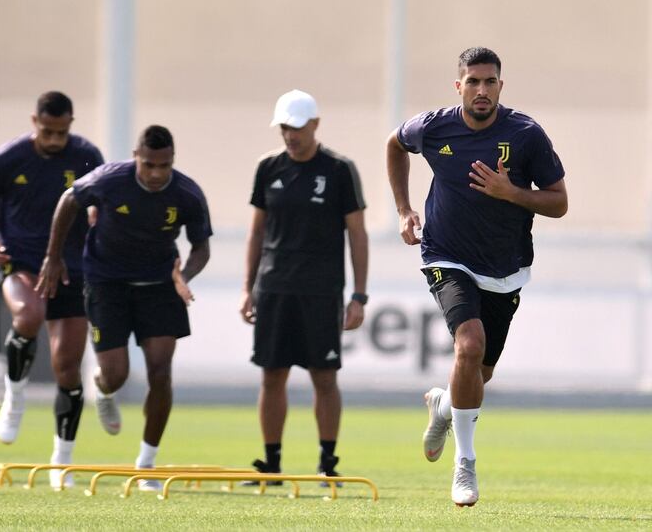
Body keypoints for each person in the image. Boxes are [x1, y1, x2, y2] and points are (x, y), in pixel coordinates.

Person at [385, 47, 568, 506]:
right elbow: (394, 144)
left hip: (505, 268)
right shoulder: (433, 127)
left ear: (500, 86)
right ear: (459, 86)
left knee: (477, 374)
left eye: (489, 82)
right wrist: (405, 209)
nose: (481, 90)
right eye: (473, 82)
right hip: (446, 256)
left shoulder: (526, 134)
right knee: (468, 345)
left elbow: (559, 201)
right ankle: (464, 464)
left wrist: (512, 192)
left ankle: (444, 406)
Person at [37, 124, 212, 492]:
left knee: (160, 372)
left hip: (160, 286)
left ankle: (146, 463)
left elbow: (201, 248)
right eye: (148, 165)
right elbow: (69, 201)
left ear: (172, 163)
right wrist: (54, 257)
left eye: (163, 166)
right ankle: (102, 388)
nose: (155, 174)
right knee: (116, 373)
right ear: (136, 157)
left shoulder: (187, 194)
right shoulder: (108, 180)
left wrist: (186, 275)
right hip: (107, 284)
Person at [0, 91, 104, 489]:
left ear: (71, 124)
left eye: (61, 132)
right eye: (47, 131)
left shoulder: (86, 155)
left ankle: (61, 461)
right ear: (34, 121)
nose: (53, 139)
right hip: (22, 260)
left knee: (68, 367)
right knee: (28, 316)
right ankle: (14, 398)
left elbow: (98, 202)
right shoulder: (7, 159)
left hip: (72, 267)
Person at [240, 89, 369, 484]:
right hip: (274, 287)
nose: (290, 135)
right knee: (271, 374)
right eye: (284, 127)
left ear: (314, 125)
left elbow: (357, 235)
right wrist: (249, 288)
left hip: (321, 290)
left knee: (324, 376)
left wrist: (358, 296)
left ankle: (327, 462)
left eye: (296, 127)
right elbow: (257, 232)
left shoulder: (339, 170)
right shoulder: (268, 167)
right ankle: (271, 463)